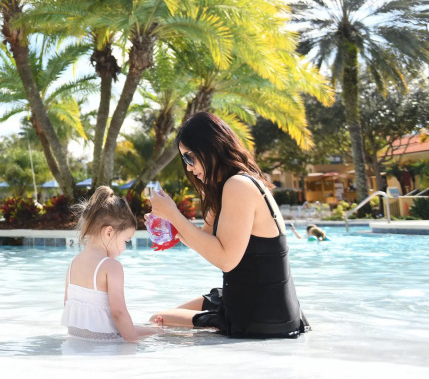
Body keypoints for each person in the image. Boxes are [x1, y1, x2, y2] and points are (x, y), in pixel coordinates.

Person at [148, 112, 310, 338]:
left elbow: (225, 259)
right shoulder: (230, 185)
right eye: (185, 160)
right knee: (166, 316)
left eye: (190, 158)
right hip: (267, 306)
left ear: (210, 147)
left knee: (157, 320)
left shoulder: (238, 185)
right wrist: (170, 225)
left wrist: (174, 214)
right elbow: (204, 241)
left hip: (260, 317)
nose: (189, 168)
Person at [61, 186, 160, 342]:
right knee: (158, 334)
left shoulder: (73, 264)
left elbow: (67, 304)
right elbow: (119, 313)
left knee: (150, 330)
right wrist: (134, 344)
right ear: (109, 232)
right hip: (105, 344)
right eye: (126, 241)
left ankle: (154, 329)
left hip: (75, 340)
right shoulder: (111, 266)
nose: (124, 248)